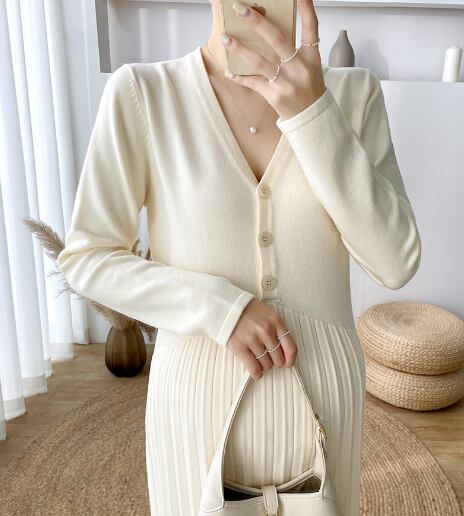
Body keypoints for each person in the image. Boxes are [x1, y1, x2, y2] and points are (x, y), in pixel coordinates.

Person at [57, 0, 422, 514]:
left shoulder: (354, 94)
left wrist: (313, 113)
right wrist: (219, 307)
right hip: (193, 418)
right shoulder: (144, 93)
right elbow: (88, 257)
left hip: (325, 416)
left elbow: (396, 261)